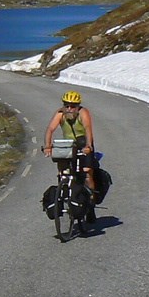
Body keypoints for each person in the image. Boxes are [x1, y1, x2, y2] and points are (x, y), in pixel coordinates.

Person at [43, 90, 97, 221]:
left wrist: (88, 146)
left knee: (87, 172)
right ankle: (64, 193)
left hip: (83, 144)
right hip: (68, 145)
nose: (69, 109)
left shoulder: (83, 113)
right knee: (63, 172)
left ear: (78, 107)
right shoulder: (60, 114)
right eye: (66, 106)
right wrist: (47, 146)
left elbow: (88, 129)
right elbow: (50, 129)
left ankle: (91, 204)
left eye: (73, 106)